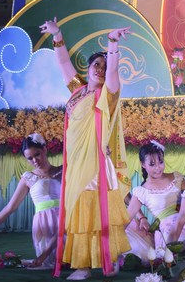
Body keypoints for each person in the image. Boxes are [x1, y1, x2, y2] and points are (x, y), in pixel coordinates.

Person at [40, 18, 132, 280]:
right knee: (78, 214)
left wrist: (112, 43)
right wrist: (57, 35)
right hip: (75, 165)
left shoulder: (108, 95)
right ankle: (86, 264)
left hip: (95, 166)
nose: (101, 70)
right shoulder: (77, 91)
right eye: (96, 65)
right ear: (89, 67)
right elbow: (63, 64)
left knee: (93, 211)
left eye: (104, 66)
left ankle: (95, 263)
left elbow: (113, 74)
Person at [0, 133, 61, 270]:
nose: (35, 160)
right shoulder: (28, 178)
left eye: (37, 154)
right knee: (53, 263)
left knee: (72, 260)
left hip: (66, 219)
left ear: (45, 149)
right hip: (44, 223)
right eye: (30, 158)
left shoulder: (63, 171)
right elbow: (10, 207)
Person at [125, 140, 185, 262]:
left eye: (160, 162)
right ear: (143, 164)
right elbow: (126, 219)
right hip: (167, 231)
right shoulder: (141, 191)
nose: (158, 168)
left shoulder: (177, 177)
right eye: (152, 164)